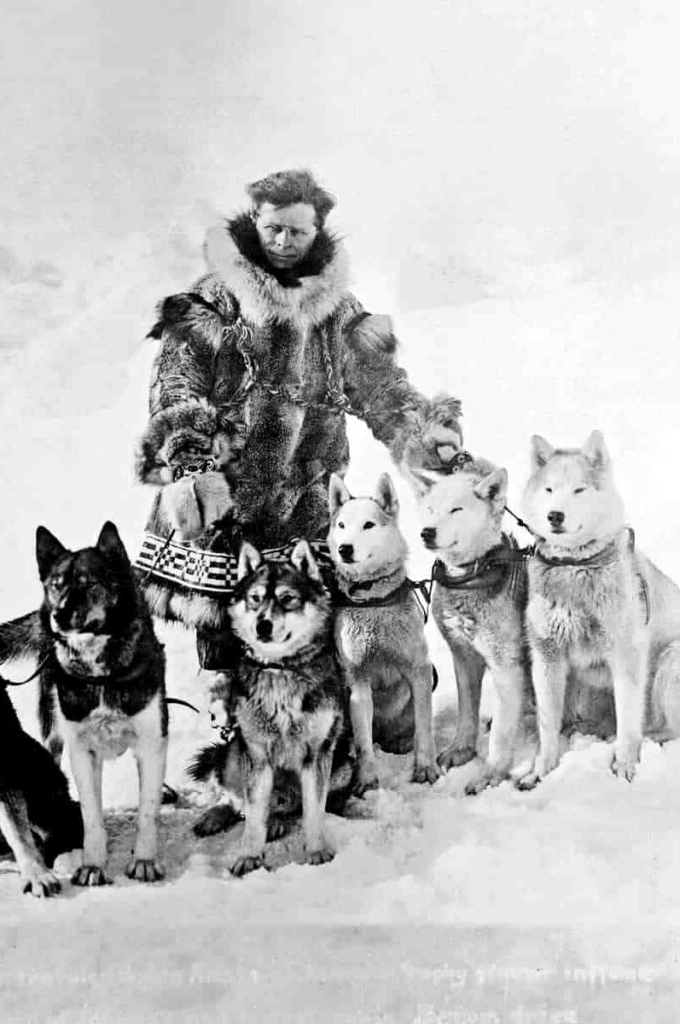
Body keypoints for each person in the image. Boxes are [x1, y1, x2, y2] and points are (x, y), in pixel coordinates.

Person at [134, 168, 463, 704]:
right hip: (227, 502)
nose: (283, 242)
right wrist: (194, 467)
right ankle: (236, 745)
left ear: (319, 233)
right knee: (233, 641)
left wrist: (425, 437)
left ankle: (340, 742)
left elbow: (381, 388)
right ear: (254, 222)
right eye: (274, 229)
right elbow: (176, 387)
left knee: (311, 634)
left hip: (306, 502)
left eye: (298, 232)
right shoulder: (212, 300)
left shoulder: (339, 310)